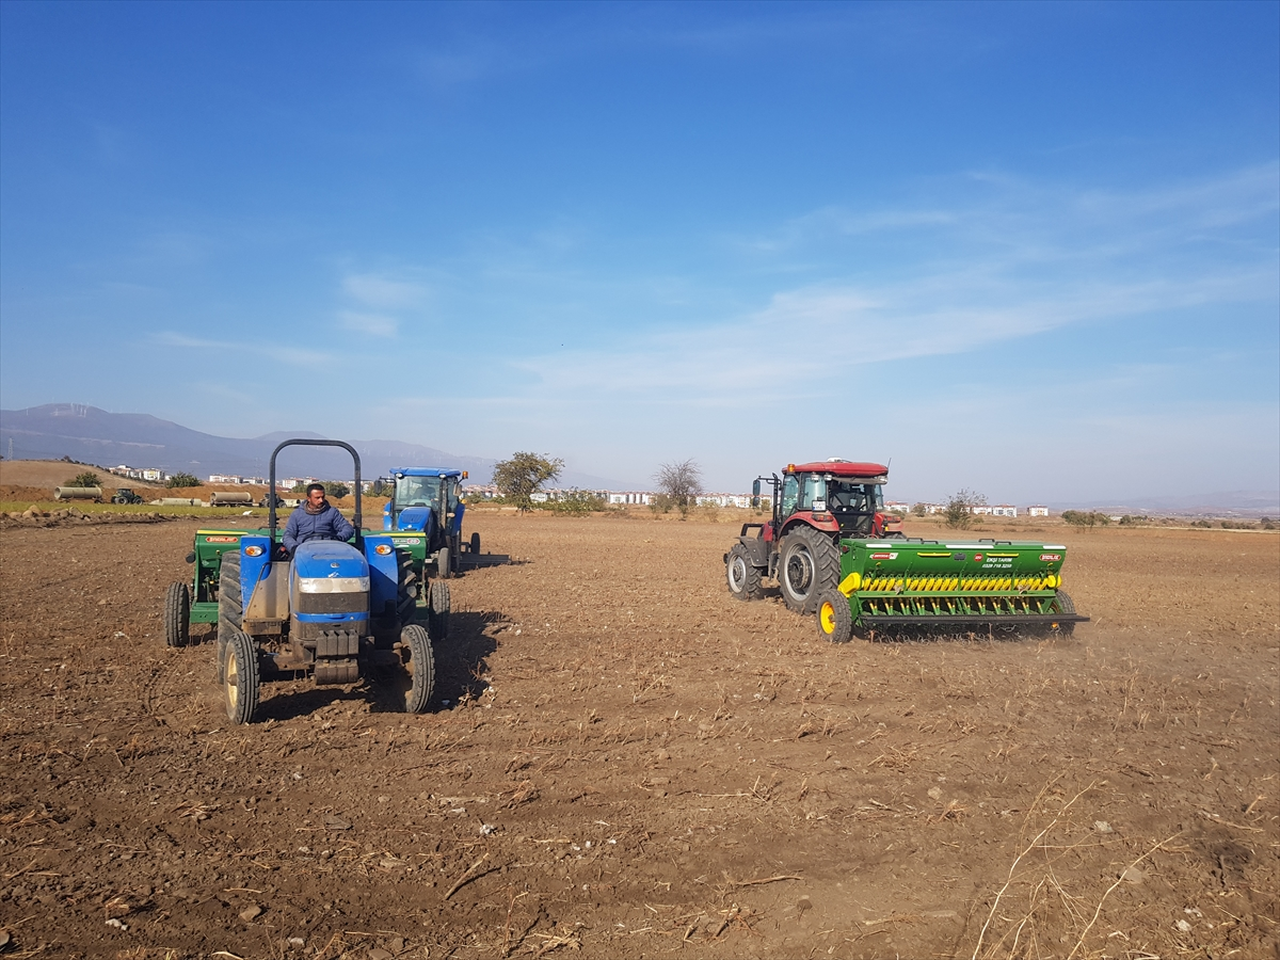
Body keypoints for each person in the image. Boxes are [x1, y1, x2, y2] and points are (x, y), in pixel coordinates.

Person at [283, 483, 355, 554]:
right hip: (304, 551)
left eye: (322, 497)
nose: (321, 500)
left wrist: (339, 538)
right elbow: (288, 535)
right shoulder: (297, 514)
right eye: (317, 498)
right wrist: (294, 548)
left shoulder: (332, 512)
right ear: (308, 498)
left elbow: (347, 528)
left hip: (328, 550)